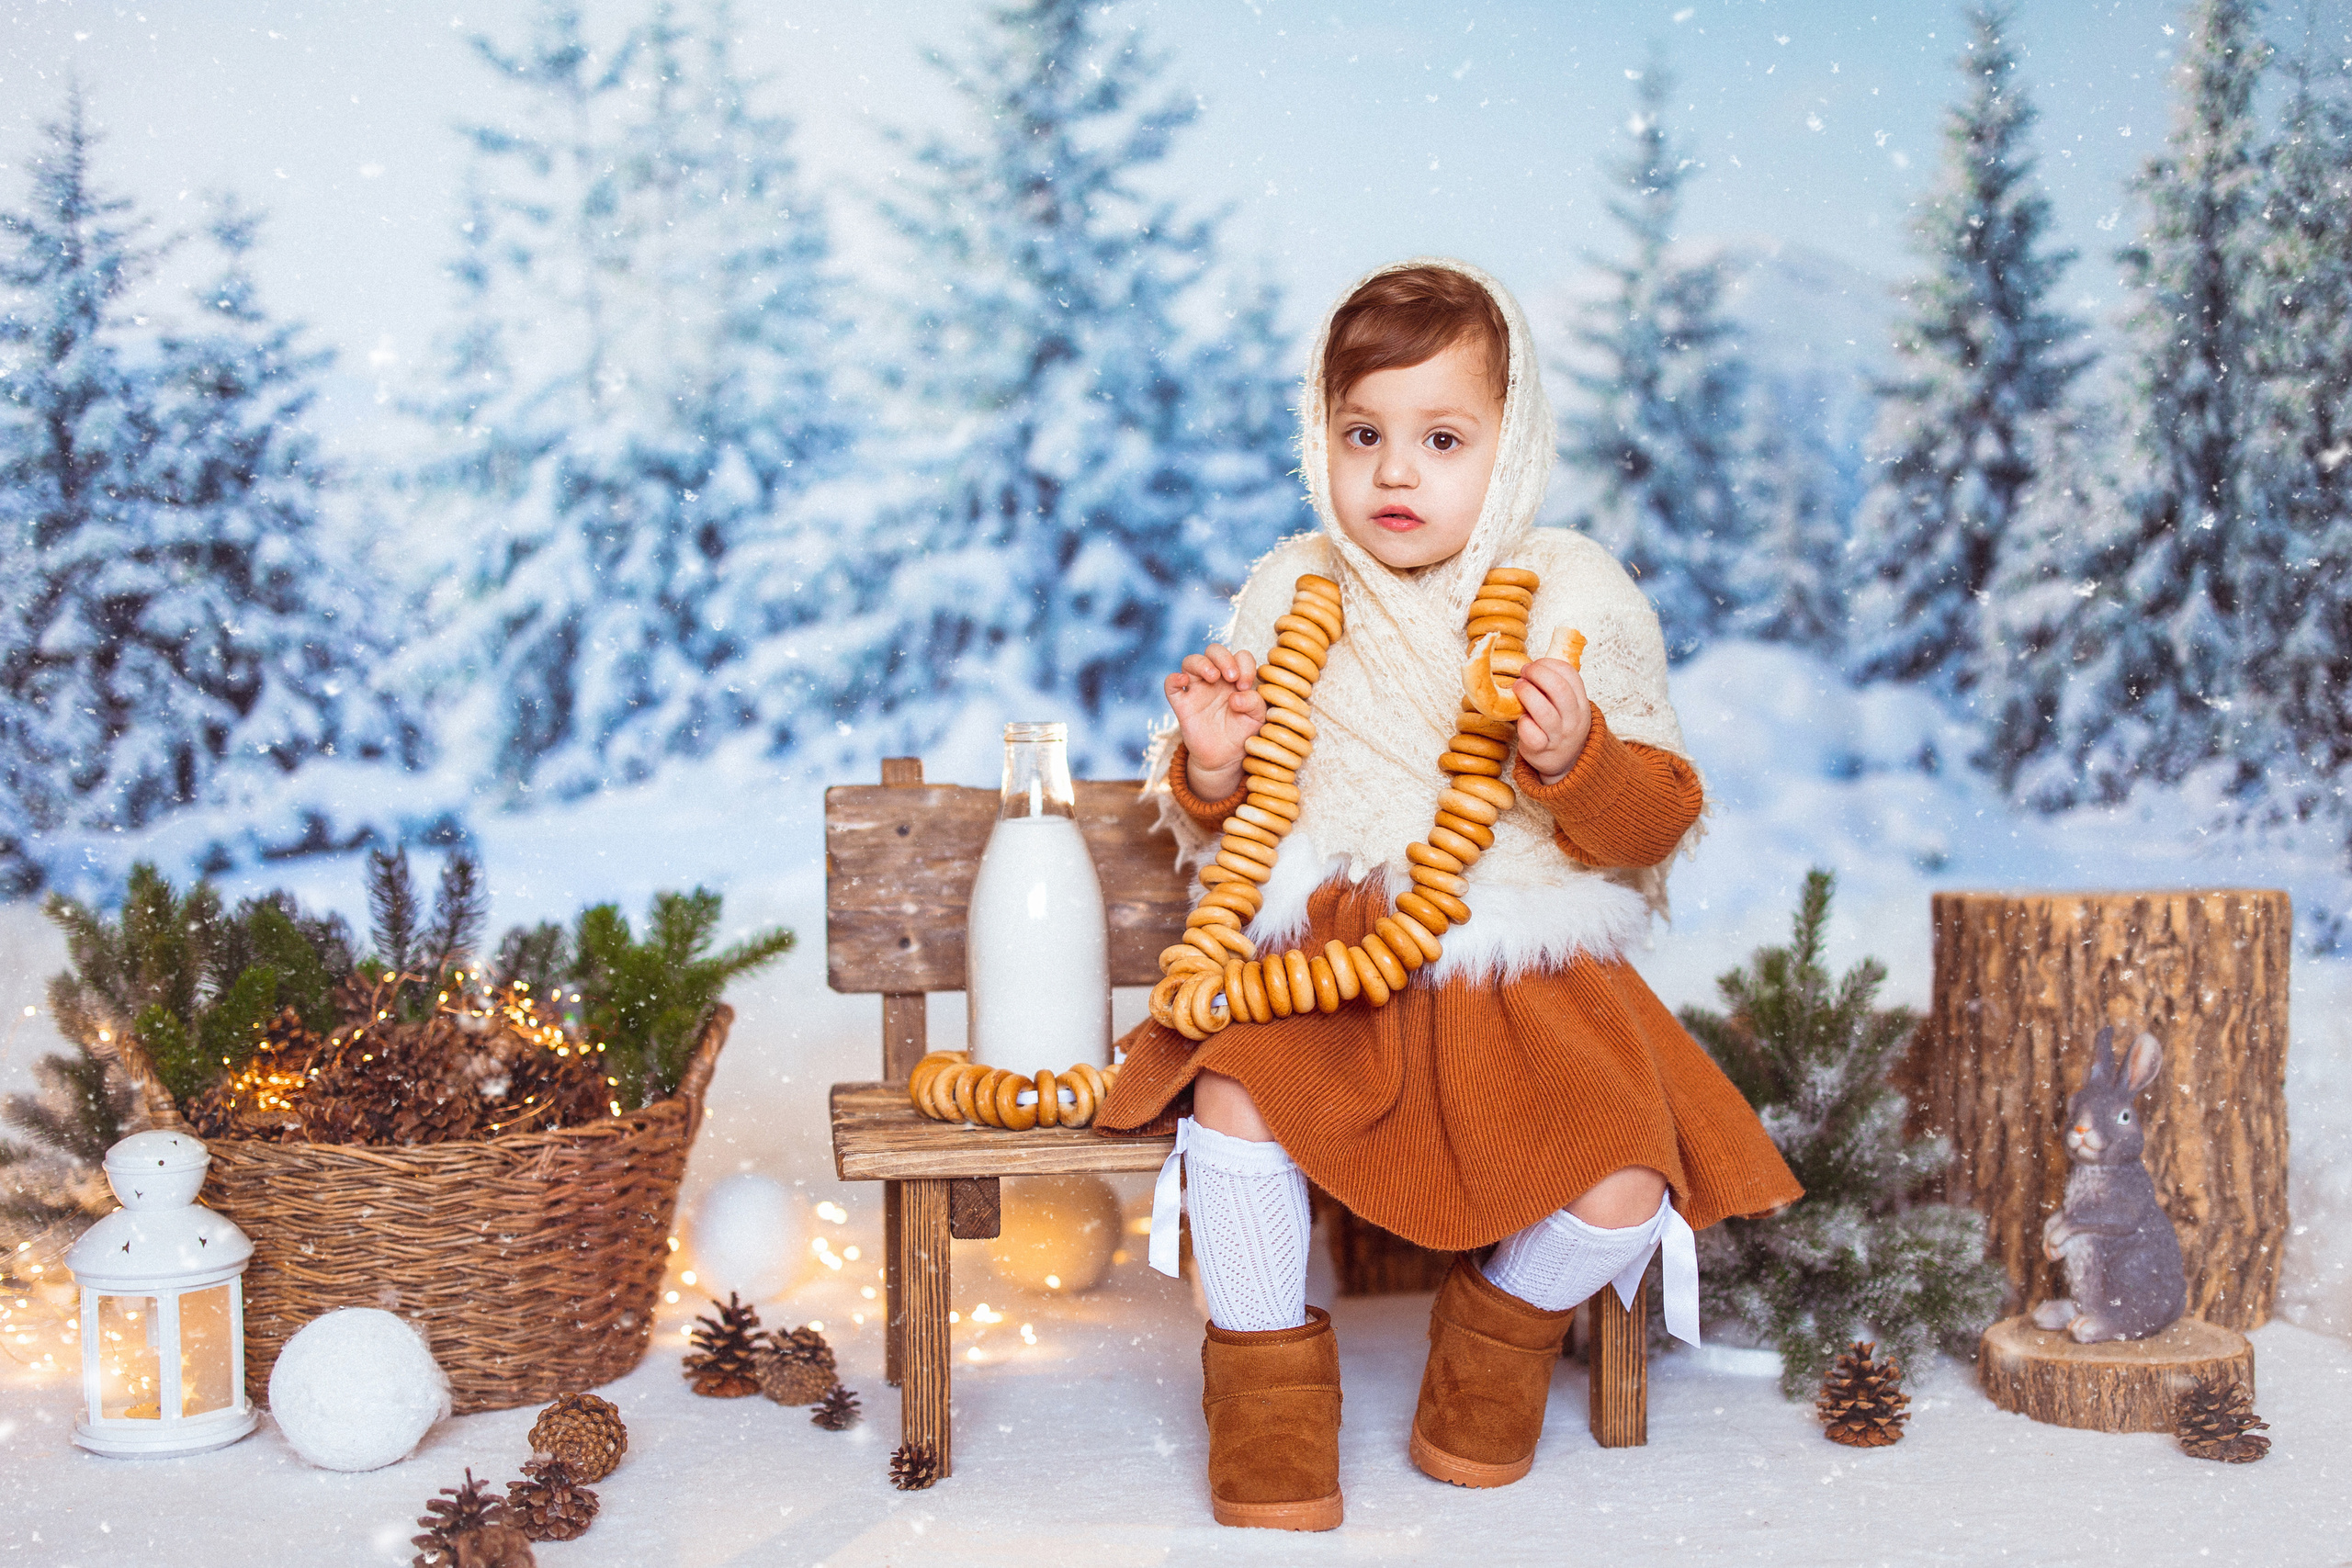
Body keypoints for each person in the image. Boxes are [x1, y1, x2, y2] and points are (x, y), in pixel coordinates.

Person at [1093, 258, 1802, 1531]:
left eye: (1441, 438)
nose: (1396, 473)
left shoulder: (1570, 591)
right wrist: (1212, 753)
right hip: (1334, 954)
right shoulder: (1293, 586)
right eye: (1363, 435)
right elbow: (1235, 824)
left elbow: (1654, 817)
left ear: (1512, 444)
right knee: (1238, 1097)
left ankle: (1498, 1339)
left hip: (1515, 961)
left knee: (1626, 1181)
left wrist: (1574, 755)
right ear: (1323, 441)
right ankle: (1266, 1404)